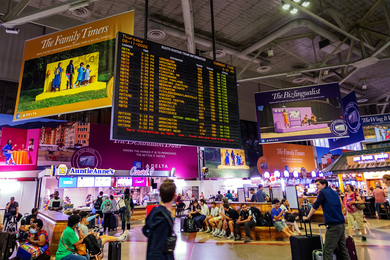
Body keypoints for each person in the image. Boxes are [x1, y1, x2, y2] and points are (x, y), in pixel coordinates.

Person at [303, 179, 350, 260]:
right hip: (341, 224)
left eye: (318, 185)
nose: (316, 187)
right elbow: (341, 204)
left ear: (324, 185)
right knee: (343, 248)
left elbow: (315, 205)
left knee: (327, 249)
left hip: (333, 225)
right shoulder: (334, 192)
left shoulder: (323, 192)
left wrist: (308, 217)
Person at [143, 179, 176, 260]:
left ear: (160, 195)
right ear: (175, 196)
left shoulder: (154, 211)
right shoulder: (162, 216)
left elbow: (145, 230)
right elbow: (158, 247)